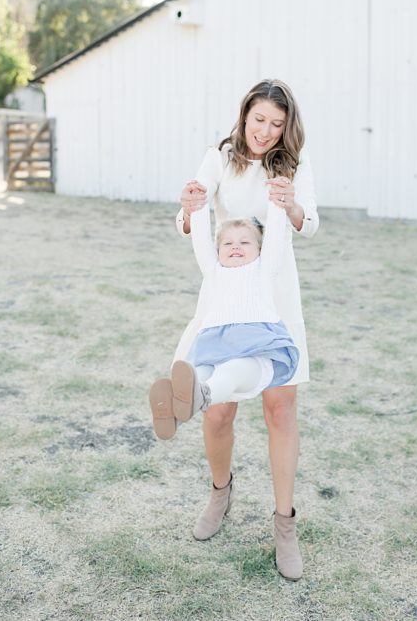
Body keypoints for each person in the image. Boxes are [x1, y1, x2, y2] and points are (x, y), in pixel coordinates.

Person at [174, 79, 318, 582]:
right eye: (259, 120)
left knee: (280, 408)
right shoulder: (219, 157)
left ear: (287, 127)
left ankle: (284, 525)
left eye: (277, 124)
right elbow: (186, 216)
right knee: (218, 412)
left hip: (277, 300)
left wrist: (292, 203)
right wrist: (190, 204)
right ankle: (220, 492)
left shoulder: (292, 163)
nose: (266, 131)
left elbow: (310, 221)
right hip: (228, 297)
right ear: (244, 116)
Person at [148, 196, 299, 441]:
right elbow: (200, 240)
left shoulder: (264, 269)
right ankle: (173, 413)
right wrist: (197, 207)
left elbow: (275, 237)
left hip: (255, 344)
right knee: (198, 371)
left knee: (232, 371)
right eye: (227, 243)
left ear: (260, 249)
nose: (235, 246)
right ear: (218, 251)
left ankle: (203, 395)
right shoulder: (214, 271)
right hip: (213, 342)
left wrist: (277, 202)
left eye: (244, 242)